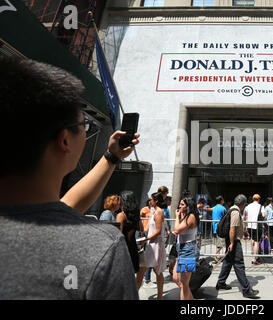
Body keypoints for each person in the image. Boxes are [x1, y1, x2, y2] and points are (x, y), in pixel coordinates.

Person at [0, 57, 140, 299]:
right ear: (64, 140)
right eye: (83, 123)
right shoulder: (99, 248)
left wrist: (111, 157)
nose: (85, 130)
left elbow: (64, 208)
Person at [216, 194, 259, 299]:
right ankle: (246, 289)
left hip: (231, 241)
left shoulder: (231, 209)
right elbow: (232, 228)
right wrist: (232, 243)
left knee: (228, 262)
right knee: (239, 265)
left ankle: (221, 282)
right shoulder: (235, 212)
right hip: (234, 241)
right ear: (243, 204)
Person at [172, 196, 199, 300]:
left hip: (188, 250)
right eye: (180, 204)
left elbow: (177, 229)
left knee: (184, 284)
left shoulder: (191, 216)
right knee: (176, 278)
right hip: (181, 249)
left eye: (182, 204)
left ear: (188, 206)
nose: (179, 206)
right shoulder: (186, 216)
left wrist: (176, 216)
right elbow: (180, 230)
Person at [141, 192, 167, 300]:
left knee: (157, 271)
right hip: (151, 243)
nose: (149, 201)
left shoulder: (158, 212)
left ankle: (160, 296)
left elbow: (158, 230)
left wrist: (146, 238)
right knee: (152, 270)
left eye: (151, 199)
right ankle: (159, 296)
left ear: (156, 201)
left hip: (156, 244)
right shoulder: (154, 211)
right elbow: (148, 229)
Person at [116, 191, 142, 275]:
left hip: (123, 248)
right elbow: (141, 228)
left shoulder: (121, 215)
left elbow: (117, 234)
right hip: (132, 246)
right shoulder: (136, 215)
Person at [244, 194, 265, 265]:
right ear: (259, 199)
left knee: (252, 239)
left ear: (253, 199)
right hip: (257, 226)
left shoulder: (247, 206)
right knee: (256, 242)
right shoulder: (261, 207)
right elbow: (264, 215)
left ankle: (253, 252)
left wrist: (246, 226)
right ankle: (254, 259)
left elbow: (245, 217)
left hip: (250, 226)